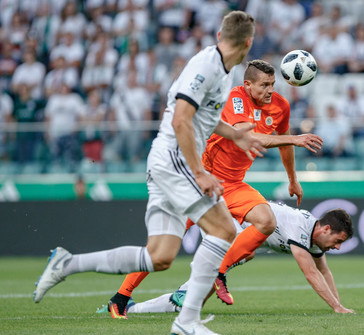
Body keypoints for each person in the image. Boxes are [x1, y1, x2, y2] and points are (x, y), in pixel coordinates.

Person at [33, 11, 262, 335]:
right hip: (175, 159)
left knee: (160, 256)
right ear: (249, 42)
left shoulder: (225, 70)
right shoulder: (207, 66)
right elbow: (181, 121)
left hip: (167, 159)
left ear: (219, 34)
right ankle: (187, 321)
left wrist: (235, 134)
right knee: (225, 229)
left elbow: (202, 119)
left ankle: (67, 264)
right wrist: (199, 172)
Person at [102, 59, 323, 312]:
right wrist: (295, 138)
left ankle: (219, 271)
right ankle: (120, 298)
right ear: (247, 85)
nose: (270, 90)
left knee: (266, 221)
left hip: (233, 185)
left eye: (273, 84)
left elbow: (283, 145)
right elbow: (245, 136)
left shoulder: (280, 106)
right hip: (201, 181)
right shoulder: (235, 99)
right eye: (264, 85)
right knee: (163, 246)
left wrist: (292, 178)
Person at [97, 202, 355, 315]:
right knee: (185, 290)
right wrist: (336, 308)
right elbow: (311, 273)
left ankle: (129, 304)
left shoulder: (314, 237)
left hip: (238, 234)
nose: (338, 247)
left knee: (193, 298)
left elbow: (324, 272)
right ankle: (129, 301)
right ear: (326, 229)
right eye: (338, 241)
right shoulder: (300, 228)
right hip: (229, 225)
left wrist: (339, 304)